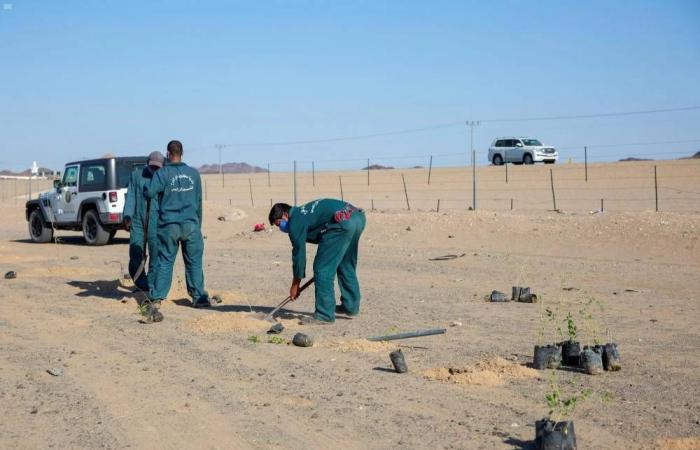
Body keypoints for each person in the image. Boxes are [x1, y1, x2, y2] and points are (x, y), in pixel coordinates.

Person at [268, 199, 366, 324]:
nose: (281, 228)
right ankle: (351, 306)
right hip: (357, 218)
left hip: (340, 224)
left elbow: (299, 255)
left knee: (322, 269)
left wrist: (295, 284)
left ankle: (324, 315)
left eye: (279, 224)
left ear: (285, 215)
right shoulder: (303, 212)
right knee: (345, 264)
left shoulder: (295, 221)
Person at [144, 140, 211, 316]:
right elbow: (198, 203)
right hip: (191, 225)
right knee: (194, 263)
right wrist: (198, 226)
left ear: (167, 154)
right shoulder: (194, 174)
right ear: (182, 153)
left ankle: (157, 297)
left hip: (169, 226)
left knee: (165, 261)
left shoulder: (162, 174)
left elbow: (150, 192)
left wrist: (146, 187)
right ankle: (199, 297)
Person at [123, 151, 164, 293]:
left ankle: (152, 284)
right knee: (136, 252)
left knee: (155, 253)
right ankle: (140, 282)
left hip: (156, 222)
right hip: (138, 221)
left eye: (158, 167)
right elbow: (131, 197)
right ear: (147, 163)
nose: (154, 170)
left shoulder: (163, 177)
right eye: (152, 166)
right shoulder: (136, 176)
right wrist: (127, 216)